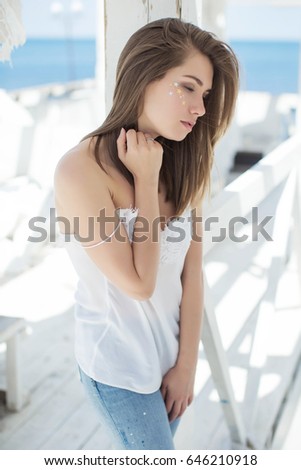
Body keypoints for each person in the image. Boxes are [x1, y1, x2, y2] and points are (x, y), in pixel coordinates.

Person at [54, 17, 239, 450]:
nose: (199, 108)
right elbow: (139, 283)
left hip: (168, 364)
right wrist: (144, 180)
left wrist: (186, 365)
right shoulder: (81, 169)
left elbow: (192, 275)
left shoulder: (181, 160)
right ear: (144, 77)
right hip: (118, 369)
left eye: (206, 95)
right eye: (188, 87)